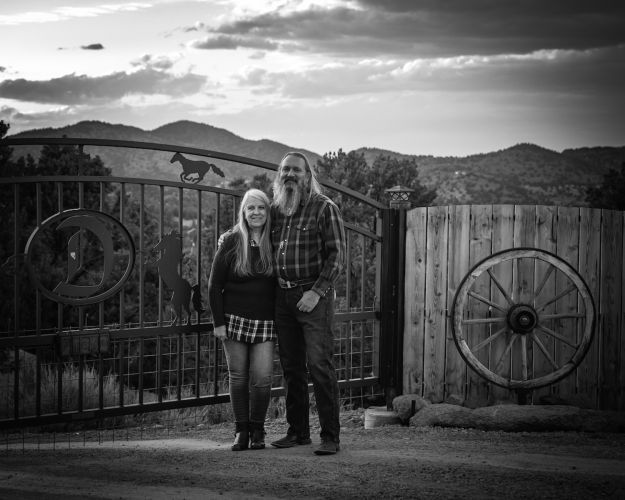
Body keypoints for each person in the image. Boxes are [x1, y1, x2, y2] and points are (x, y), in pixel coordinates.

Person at [269, 151, 346, 456]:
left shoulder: (324, 208)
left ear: (307, 175)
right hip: (282, 298)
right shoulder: (276, 210)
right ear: (280, 174)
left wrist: (316, 292)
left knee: (318, 365)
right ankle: (298, 432)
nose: (290, 174)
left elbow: (337, 256)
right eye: (285, 169)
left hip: (313, 297)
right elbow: (252, 232)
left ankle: (330, 437)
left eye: (296, 170)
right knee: (291, 368)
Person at [208, 188, 276, 451]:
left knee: (262, 378)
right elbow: (214, 285)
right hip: (233, 320)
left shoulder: (275, 240)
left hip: (266, 322)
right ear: (243, 212)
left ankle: (258, 430)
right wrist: (218, 323)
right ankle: (241, 432)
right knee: (237, 377)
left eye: (261, 207)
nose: (256, 212)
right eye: (251, 208)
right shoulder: (232, 241)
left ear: (267, 211)